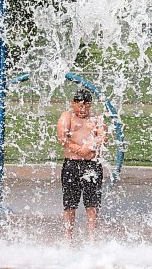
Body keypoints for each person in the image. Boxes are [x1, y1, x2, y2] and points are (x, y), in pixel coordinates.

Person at [57, 88, 107, 241]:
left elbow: (103, 137)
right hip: (72, 165)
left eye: (86, 105)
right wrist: (80, 149)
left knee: (92, 204)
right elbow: (62, 138)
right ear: (73, 104)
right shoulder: (68, 117)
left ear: (90, 105)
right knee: (70, 204)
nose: (82, 108)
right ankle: (68, 238)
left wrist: (89, 147)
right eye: (79, 105)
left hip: (92, 166)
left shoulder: (96, 119)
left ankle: (92, 238)